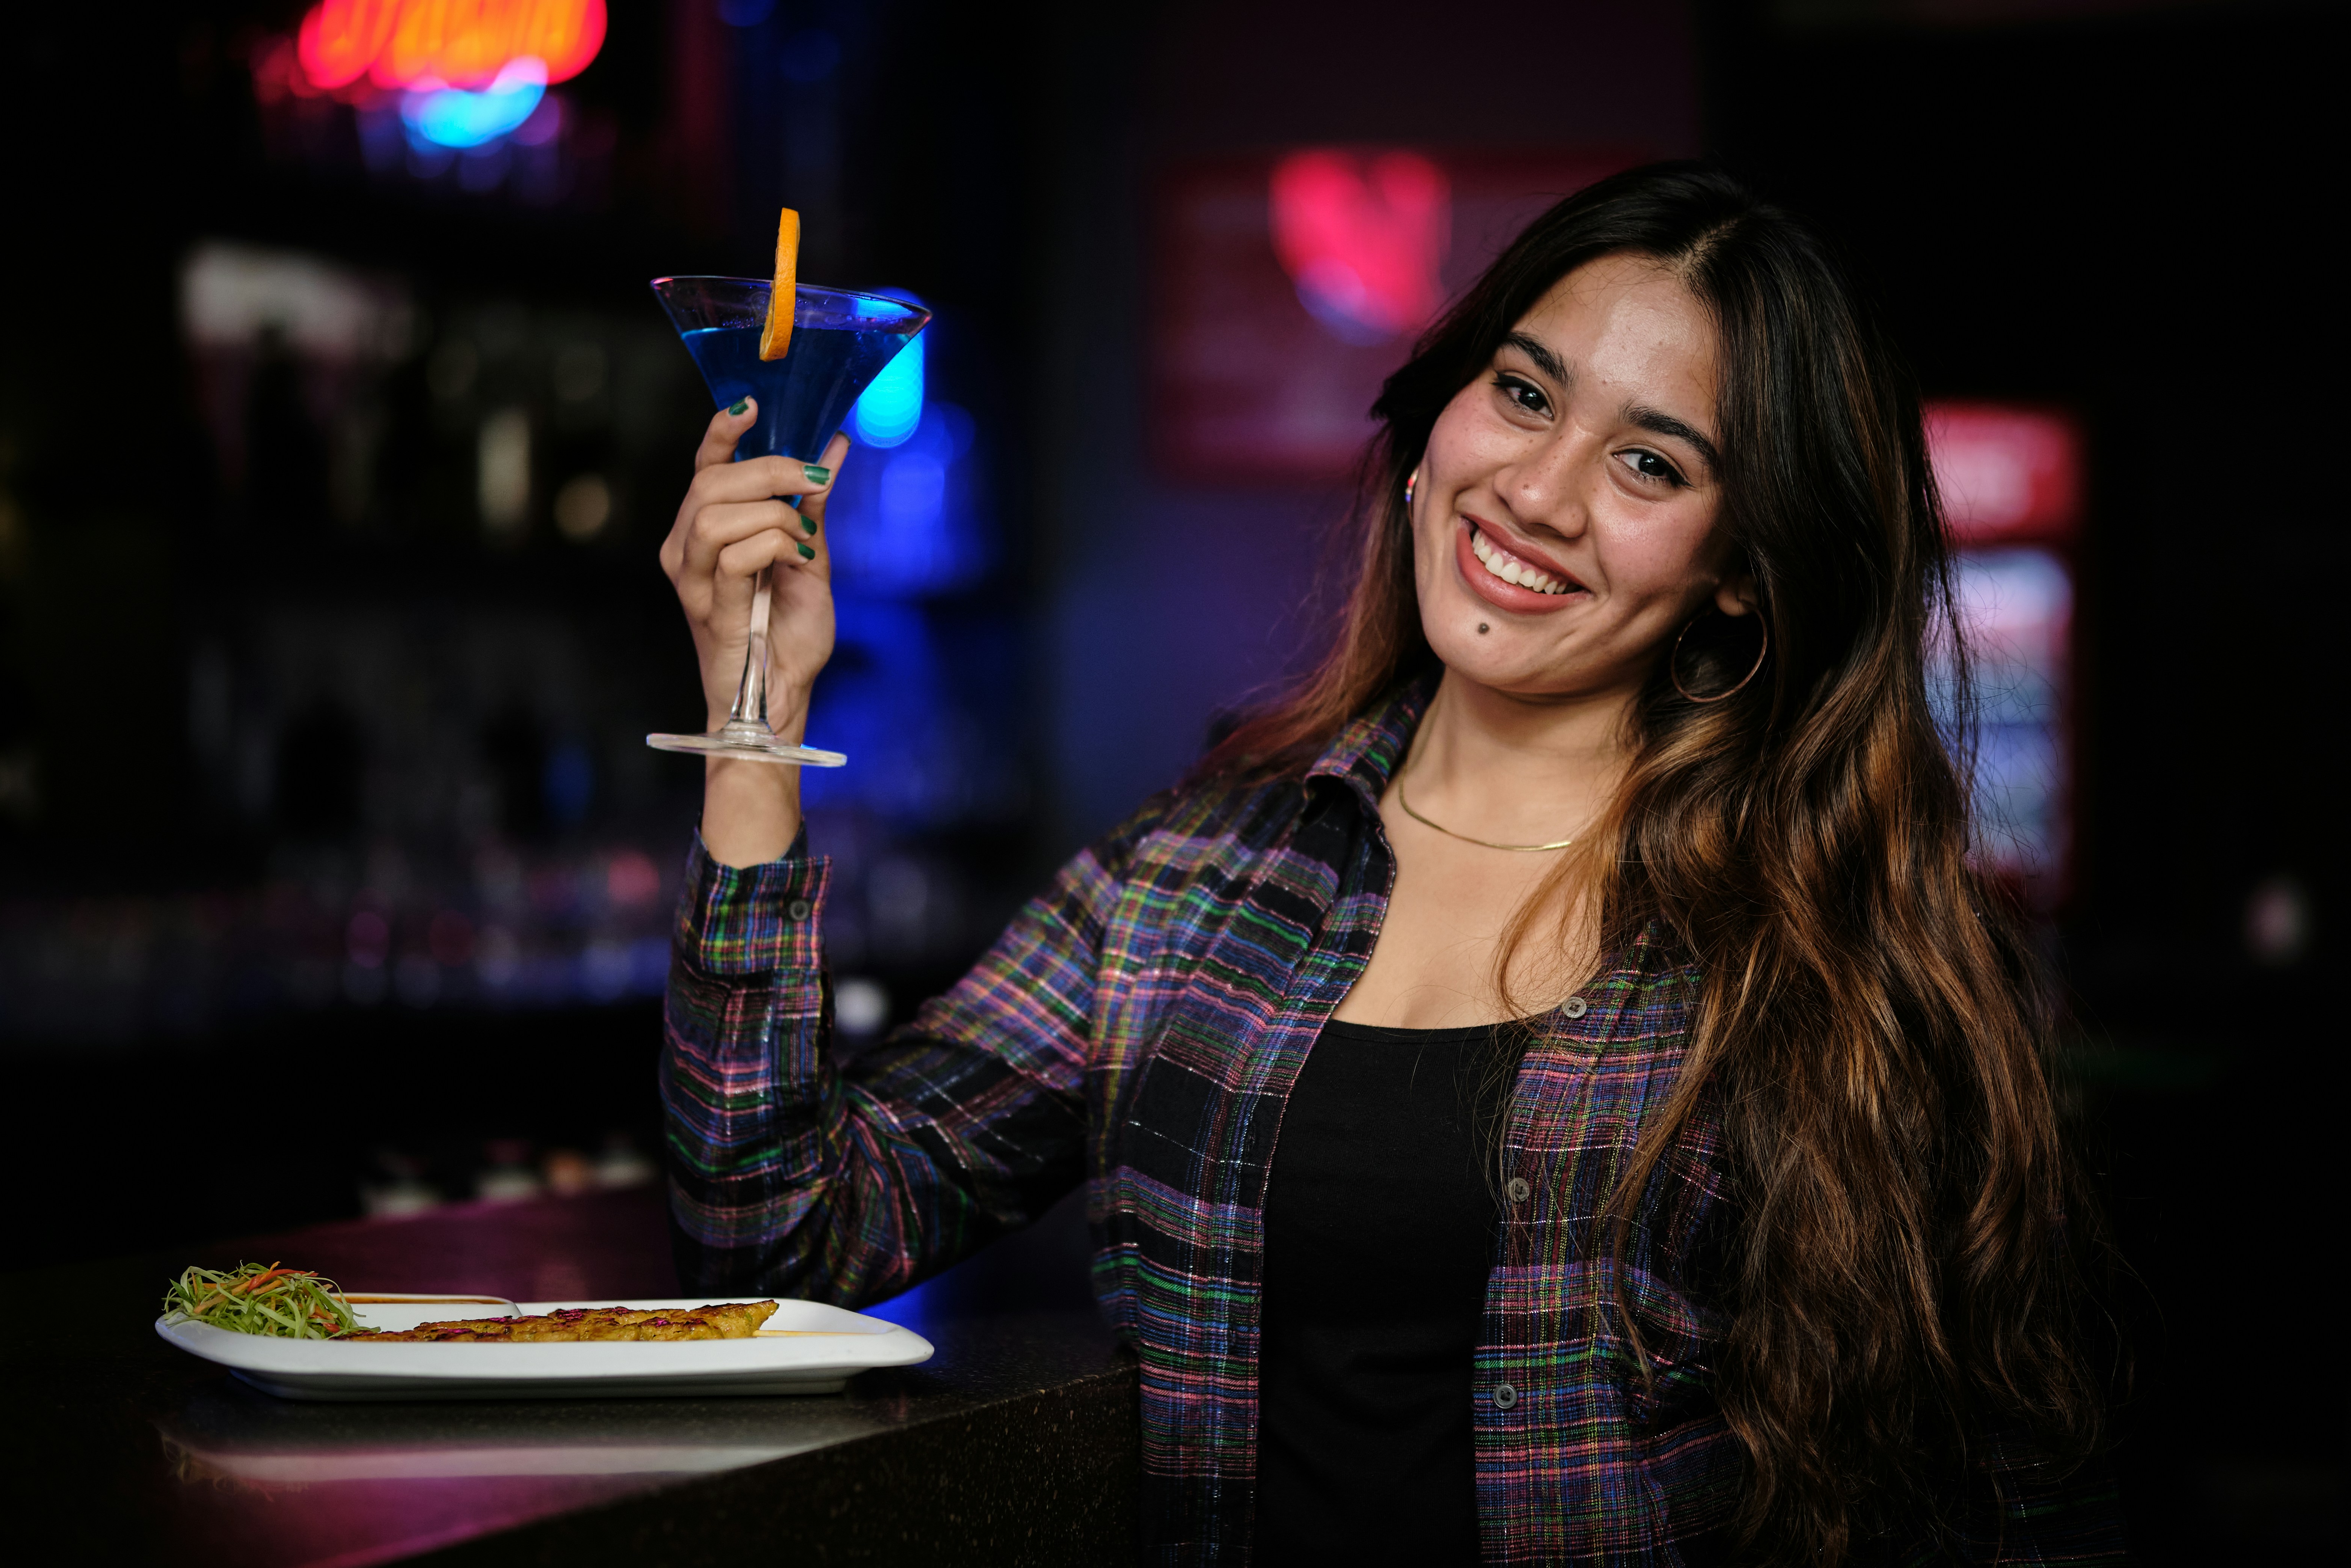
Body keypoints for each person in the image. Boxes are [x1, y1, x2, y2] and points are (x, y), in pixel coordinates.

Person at [654, 164, 2122, 1566]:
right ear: (1446, 410)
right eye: (1526, 393)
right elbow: (786, 1227)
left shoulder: (1821, 955)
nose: (1540, 493)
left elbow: (2002, 1501)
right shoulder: (1192, 879)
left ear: (1740, 564)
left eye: (1649, 461)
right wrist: (754, 714)